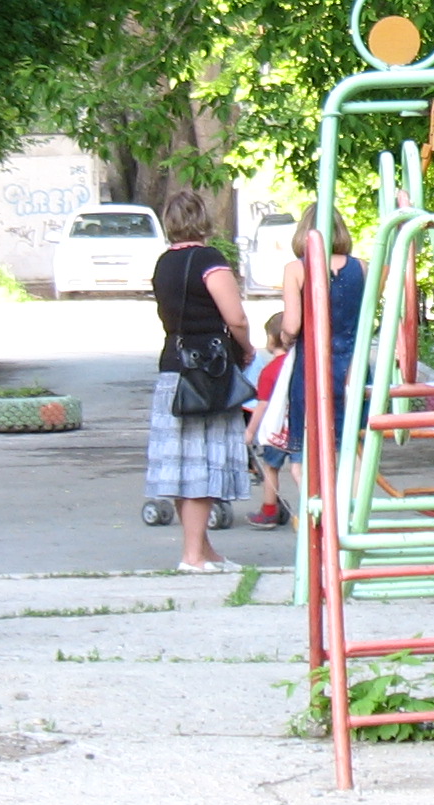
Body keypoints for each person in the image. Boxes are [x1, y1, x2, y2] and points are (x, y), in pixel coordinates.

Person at [146, 189, 254, 570]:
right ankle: (192, 556)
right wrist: (247, 348)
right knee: (201, 465)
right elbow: (235, 317)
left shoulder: (163, 264)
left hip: (173, 369)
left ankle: (204, 550)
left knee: (182, 465)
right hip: (208, 372)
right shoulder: (210, 261)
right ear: (202, 219)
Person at [277, 201, 363, 492]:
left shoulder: (296, 269)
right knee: (350, 450)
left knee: (304, 457)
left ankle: (322, 509)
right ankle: (350, 510)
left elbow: (292, 325)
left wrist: (285, 339)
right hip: (352, 367)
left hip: (312, 369)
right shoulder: (361, 268)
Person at [245, 310, 295, 528]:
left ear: (273, 338)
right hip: (300, 425)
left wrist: (250, 431)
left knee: (270, 467)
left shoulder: (270, 371)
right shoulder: (301, 366)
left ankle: (269, 510)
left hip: (277, 428)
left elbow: (262, 405)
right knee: (301, 467)